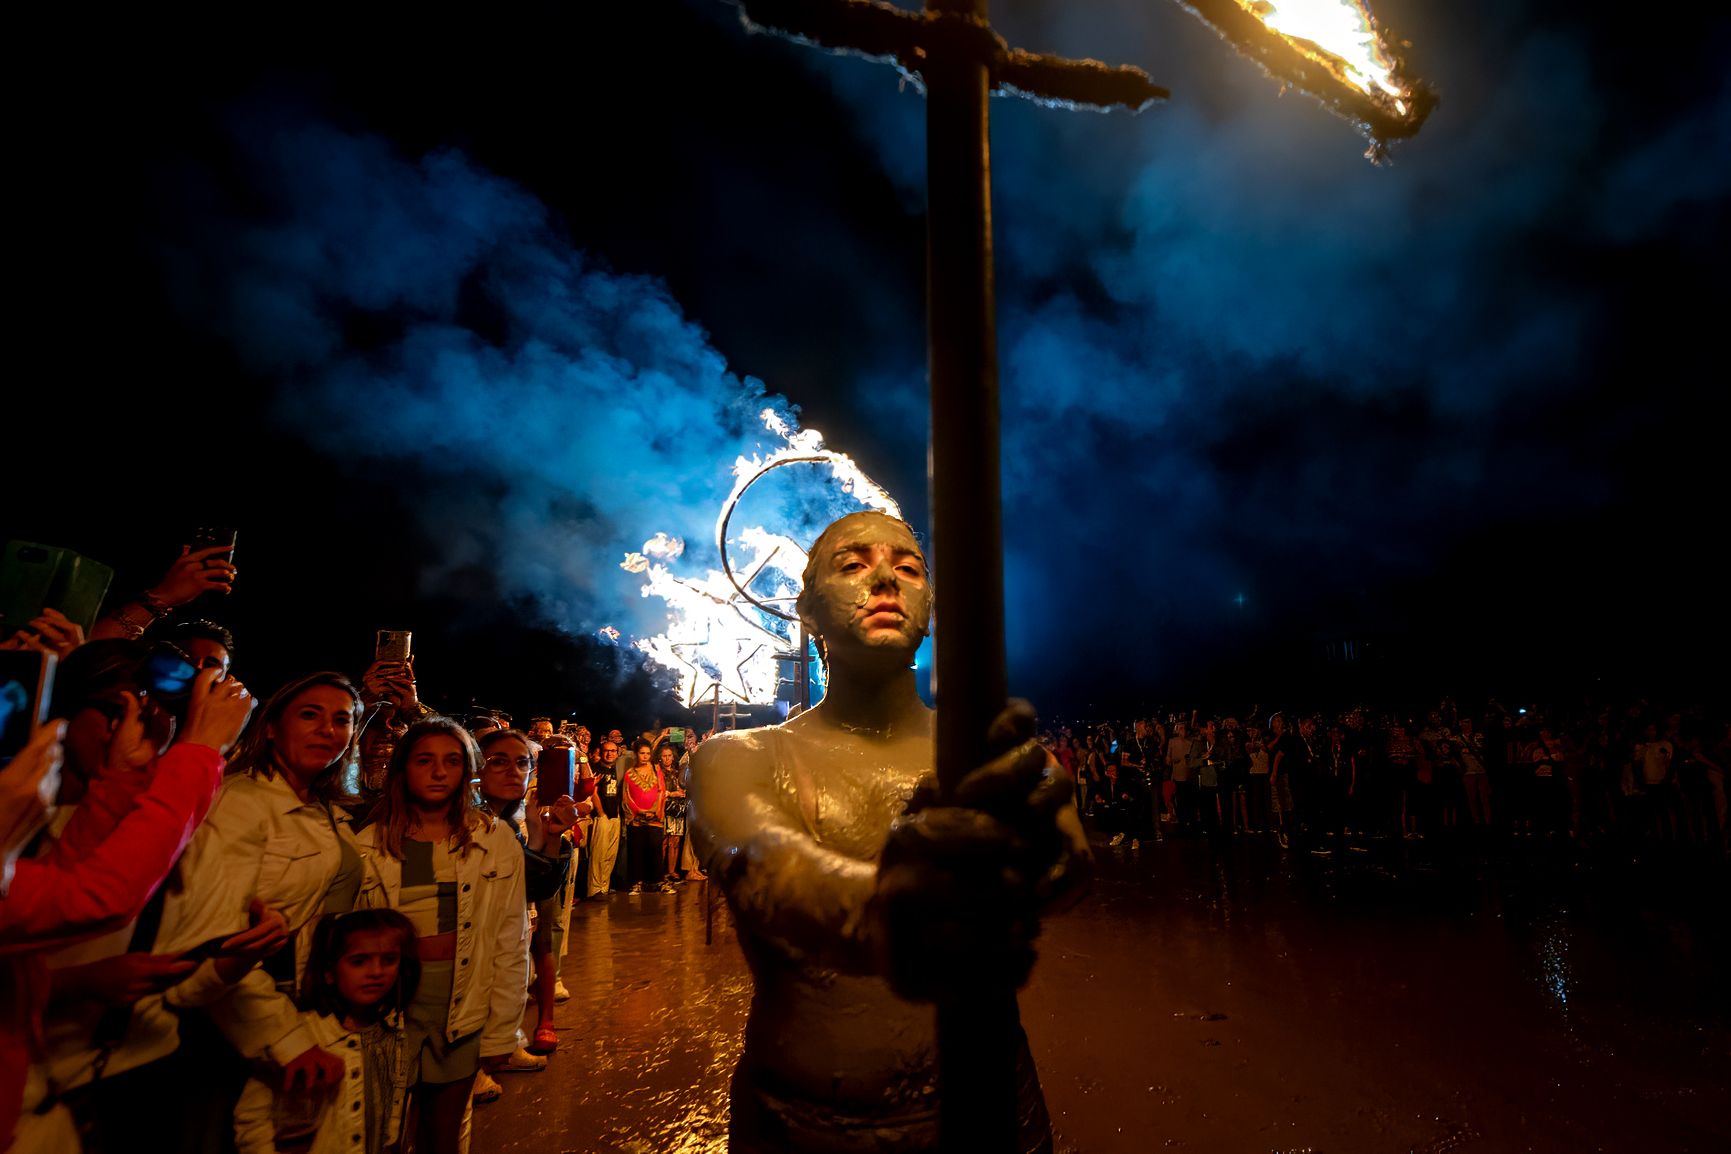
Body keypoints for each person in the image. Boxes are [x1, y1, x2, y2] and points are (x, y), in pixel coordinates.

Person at [688, 509, 1089, 1154]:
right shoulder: (739, 757)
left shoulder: (985, 755)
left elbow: (1065, 865)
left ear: (930, 609)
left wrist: (1046, 855)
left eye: (908, 567)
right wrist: (890, 907)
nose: (885, 580)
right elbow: (761, 861)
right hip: (806, 1124)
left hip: (992, 1111)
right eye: (853, 565)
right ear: (807, 612)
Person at [353, 718, 529, 1154]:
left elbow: (511, 938)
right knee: (384, 1135)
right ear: (403, 769)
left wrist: (503, 1031)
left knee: (443, 1137)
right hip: (390, 1013)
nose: (437, 772)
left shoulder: (494, 838)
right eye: (424, 760)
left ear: (466, 771)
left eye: (451, 761)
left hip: (462, 1009)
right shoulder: (369, 844)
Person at [232, 908, 421, 1154]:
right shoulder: (300, 1036)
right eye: (359, 961)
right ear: (329, 972)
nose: (376, 972)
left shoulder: (391, 1034)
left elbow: (390, 1113)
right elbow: (253, 1117)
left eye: (388, 960)